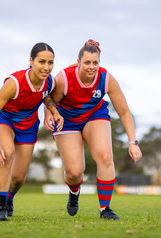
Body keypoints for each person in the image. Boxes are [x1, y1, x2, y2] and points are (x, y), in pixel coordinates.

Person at [44, 39, 142, 220]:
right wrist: (48, 114)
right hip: (67, 120)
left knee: (105, 156)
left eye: (95, 62)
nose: (91, 66)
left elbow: (124, 112)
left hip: (93, 115)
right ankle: (74, 191)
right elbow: (50, 99)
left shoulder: (106, 79)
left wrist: (132, 142)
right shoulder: (64, 78)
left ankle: (105, 208)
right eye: (87, 62)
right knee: (74, 172)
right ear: (78, 62)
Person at [0, 42, 63, 221]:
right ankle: (0, 207)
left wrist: (54, 112)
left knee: (19, 178)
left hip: (28, 126)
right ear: (31, 61)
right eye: (41, 62)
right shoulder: (14, 83)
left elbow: (46, 96)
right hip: (6, 120)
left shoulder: (49, 82)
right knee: (6, 153)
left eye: (50, 63)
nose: (46, 67)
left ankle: (9, 198)